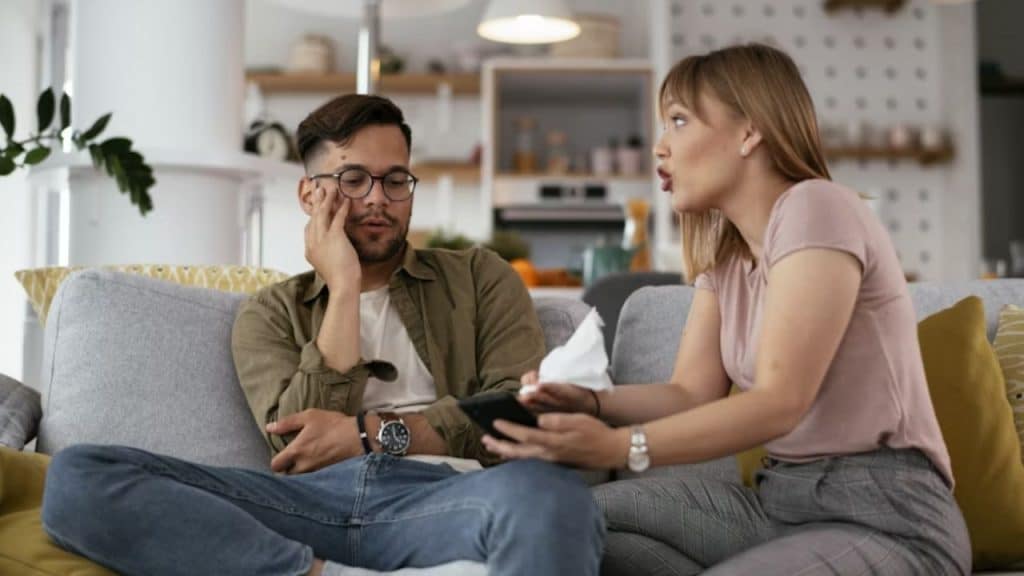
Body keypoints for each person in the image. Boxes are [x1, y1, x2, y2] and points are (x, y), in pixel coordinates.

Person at [41, 94, 604, 576]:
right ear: (310, 195)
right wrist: (344, 284)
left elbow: (511, 417)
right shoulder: (270, 313)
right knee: (79, 477)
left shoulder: (480, 277)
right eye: (353, 180)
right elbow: (296, 453)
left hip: (446, 500)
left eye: (396, 180)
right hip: (303, 506)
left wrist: (372, 434)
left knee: (553, 498)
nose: (379, 199)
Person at [484, 44, 971, 575]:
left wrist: (618, 447)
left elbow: (780, 401)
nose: (661, 147)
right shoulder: (727, 263)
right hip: (777, 503)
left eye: (679, 120)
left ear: (749, 131)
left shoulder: (817, 208)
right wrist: (591, 403)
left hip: (885, 516)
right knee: (559, 519)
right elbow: (690, 393)